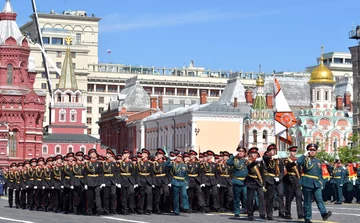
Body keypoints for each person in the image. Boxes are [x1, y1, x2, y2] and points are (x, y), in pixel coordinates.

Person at [297, 143, 332, 223]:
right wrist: (304, 155)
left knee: (319, 199)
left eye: (314, 150)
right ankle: (307, 218)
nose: (312, 152)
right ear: (308, 151)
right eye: (310, 150)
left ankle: (324, 214)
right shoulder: (305, 159)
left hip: (316, 183)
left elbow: (320, 173)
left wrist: (321, 182)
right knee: (307, 201)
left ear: (316, 151)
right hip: (307, 182)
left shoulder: (318, 161)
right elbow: (298, 162)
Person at [263, 144, 286, 220]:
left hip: (278, 180)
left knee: (281, 195)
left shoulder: (279, 160)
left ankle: (281, 212)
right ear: (269, 152)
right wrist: (271, 157)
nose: (273, 151)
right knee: (269, 197)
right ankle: (269, 214)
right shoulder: (268, 159)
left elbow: (282, 171)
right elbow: (264, 157)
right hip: (270, 179)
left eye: (274, 150)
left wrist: (279, 178)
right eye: (271, 150)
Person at [244, 147, 266, 221]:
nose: (254, 155)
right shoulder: (248, 161)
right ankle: (250, 214)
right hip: (250, 181)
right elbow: (249, 166)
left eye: (255, 153)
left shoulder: (260, 162)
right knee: (250, 198)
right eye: (252, 153)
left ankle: (262, 213)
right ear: (250, 154)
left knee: (261, 197)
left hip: (258, 181)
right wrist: (255, 161)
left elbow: (262, 172)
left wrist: (263, 183)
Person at [226, 146, 248, 217]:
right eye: (239, 151)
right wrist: (233, 155)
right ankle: (237, 211)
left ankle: (247, 209)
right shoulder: (235, 160)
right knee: (236, 197)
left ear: (245, 153)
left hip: (245, 181)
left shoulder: (246, 161)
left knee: (246, 196)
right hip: (237, 180)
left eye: (242, 151)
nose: (240, 152)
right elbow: (228, 162)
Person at [283, 146, 303, 220]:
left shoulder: (297, 160)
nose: (293, 153)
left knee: (299, 197)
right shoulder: (287, 160)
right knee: (289, 197)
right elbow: (288, 166)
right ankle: (287, 213)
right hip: (290, 179)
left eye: (295, 151)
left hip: (296, 180)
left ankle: (300, 214)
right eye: (292, 151)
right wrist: (294, 163)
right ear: (290, 152)